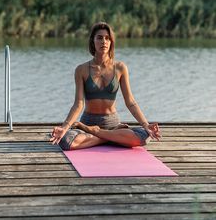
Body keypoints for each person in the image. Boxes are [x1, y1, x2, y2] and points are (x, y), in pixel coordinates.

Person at [50, 22, 161, 150]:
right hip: (89, 122)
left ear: (111, 42)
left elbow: (130, 102)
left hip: (112, 124)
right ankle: (112, 138)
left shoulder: (120, 68)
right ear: (93, 41)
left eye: (107, 38)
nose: (104, 41)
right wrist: (65, 127)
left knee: (144, 135)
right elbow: (78, 104)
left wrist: (146, 125)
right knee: (66, 141)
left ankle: (98, 134)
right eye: (100, 38)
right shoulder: (81, 70)